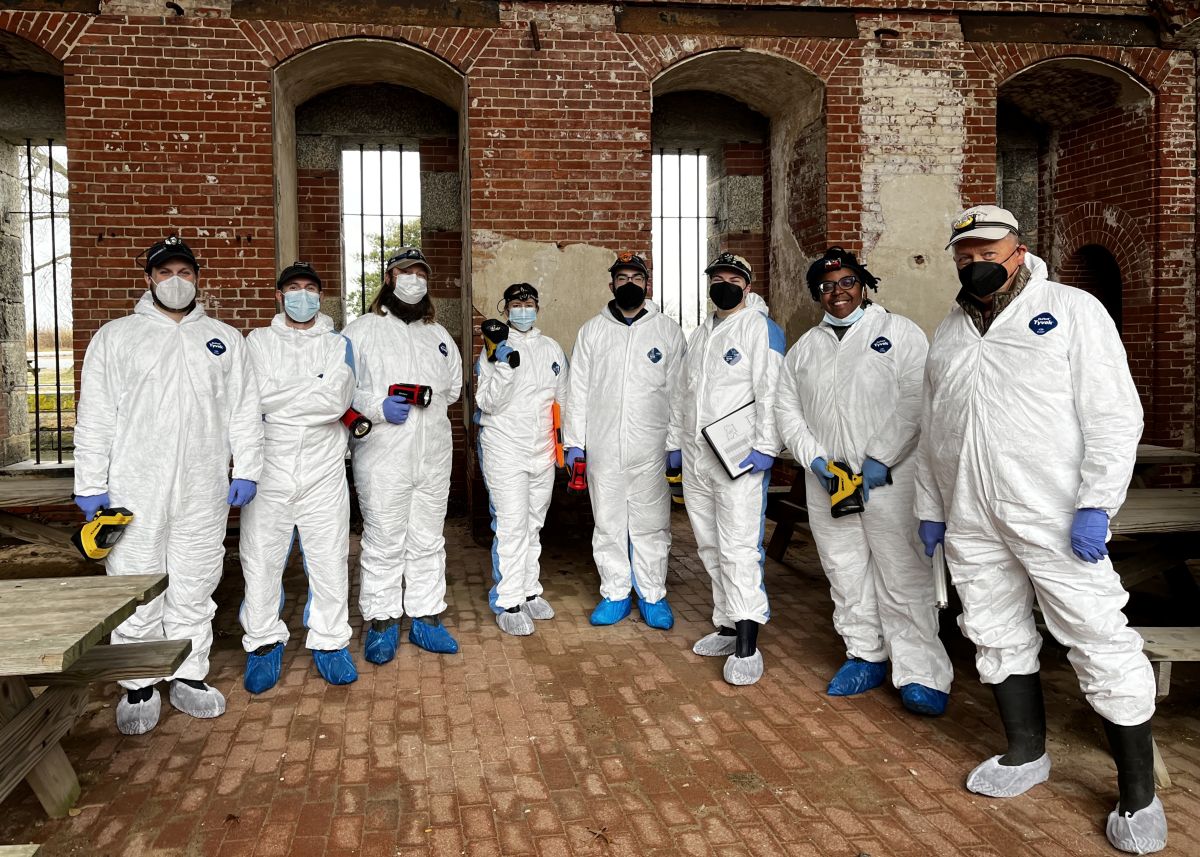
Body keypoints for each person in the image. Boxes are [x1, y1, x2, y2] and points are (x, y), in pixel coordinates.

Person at [914, 205, 1164, 853]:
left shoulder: (1072, 311)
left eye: (987, 249)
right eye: (964, 252)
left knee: (1096, 633)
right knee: (992, 629)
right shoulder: (948, 331)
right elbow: (934, 426)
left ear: (1019, 250)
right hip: (971, 515)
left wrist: (1095, 502)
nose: (975, 261)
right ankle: (1026, 751)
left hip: (1053, 512)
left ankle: (1139, 792)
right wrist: (932, 508)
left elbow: (1114, 412)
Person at [73, 236, 263, 735]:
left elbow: (244, 412)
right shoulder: (117, 337)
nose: (175, 281)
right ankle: (137, 681)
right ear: (148, 279)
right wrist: (90, 482)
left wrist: (247, 467)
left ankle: (188, 673)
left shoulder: (225, 339)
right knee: (135, 581)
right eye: (164, 272)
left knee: (196, 579)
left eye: (184, 271)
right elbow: (95, 415)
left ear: (197, 278)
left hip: (202, 484)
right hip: (135, 484)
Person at [776, 247, 953, 715]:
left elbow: (917, 399)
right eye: (828, 286)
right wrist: (815, 462)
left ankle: (920, 672)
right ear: (818, 293)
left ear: (865, 285)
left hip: (890, 479)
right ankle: (865, 653)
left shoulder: (898, 333)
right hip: (830, 482)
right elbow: (786, 411)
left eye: (848, 282)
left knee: (903, 573)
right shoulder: (804, 349)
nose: (839, 292)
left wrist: (880, 457)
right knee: (845, 570)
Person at [239, 262, 358, 693]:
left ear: (321, 296)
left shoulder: (337, 343)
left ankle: (330, 641)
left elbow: (335, 401)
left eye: (310, 288)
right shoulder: (257, 341)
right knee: (261, 560)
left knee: (328, 559)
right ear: (278, 295)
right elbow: (253, 398)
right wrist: (310, 387)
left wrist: (282, 396)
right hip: (268, 469)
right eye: (293, 288)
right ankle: (263, 642)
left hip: (324, 472)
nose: (302, 295)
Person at [343, 247, 462, 661]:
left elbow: (455, 388)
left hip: (432, 454)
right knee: (382, 538)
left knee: (429, 538)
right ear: (389, 278)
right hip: (382, 455)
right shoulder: (361, 331)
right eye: (404, 271)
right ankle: (382, 620)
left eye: (420, 273)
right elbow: (340, 391)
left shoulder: (439, 336)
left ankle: (427, 615)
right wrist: (379, 407)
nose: (413, 279)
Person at [562, 252, 686, 629]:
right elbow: (576, 389)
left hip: (652, 448)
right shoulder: (592, 331)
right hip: (603, 448)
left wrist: (676, 442)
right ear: (611, 284)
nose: (628, 283)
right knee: (609, 524)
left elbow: (680, 393)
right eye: (622, 277)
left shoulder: (667, 331)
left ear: (647, 285)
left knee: (652, 525)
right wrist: (574, 443)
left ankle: (652, 594)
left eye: (636, 277)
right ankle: (615, 592)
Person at [680, 252, 784, 686]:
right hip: (697, 456)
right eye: (717, 277)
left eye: (732, 278)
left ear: (747, 283)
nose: (723, 284)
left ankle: (747, 641)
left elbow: (772, 389)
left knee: (739, 547)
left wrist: (766, 447)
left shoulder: (760, 328)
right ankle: (725, 624)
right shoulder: (702, 333)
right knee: (708, 544)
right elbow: (682, 394)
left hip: (740, 457)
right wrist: (674, 443)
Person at [475, 283, 569, 635]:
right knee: (512, 526)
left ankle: (530, 591)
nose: (523, 310)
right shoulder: (492, 349)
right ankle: (508, 599)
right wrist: (503, 365)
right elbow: (488, 403)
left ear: (538, 308)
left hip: (542, 451)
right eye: (516, 304)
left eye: (528, 303)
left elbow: (562, 399)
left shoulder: (552, 349)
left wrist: (566, 446)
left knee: (533, 524)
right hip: (505, 449)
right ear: (506, 310)